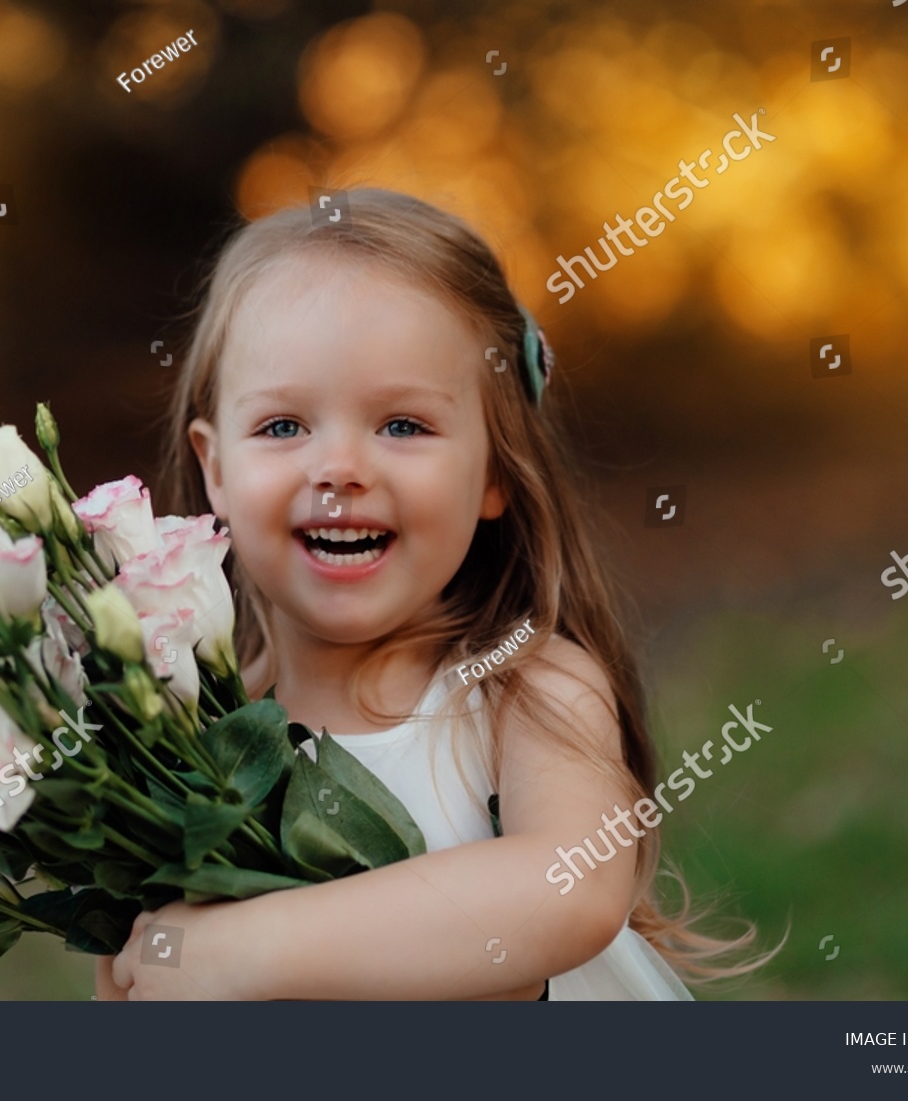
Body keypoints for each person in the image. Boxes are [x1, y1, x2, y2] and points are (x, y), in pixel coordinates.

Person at [97, 188, 771, 999]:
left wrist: (257, 945)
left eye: (402, 425)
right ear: (216, 470)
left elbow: (571, 887)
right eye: (283, 426)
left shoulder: (526, 689)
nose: (339, 467)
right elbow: (139, 981)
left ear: (493, 468)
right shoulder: (185, 738)